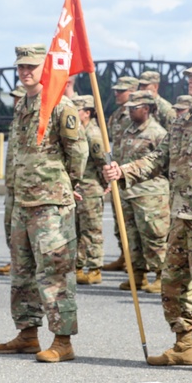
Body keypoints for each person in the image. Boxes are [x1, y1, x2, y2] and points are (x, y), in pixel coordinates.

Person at [103, 58, 192, 375]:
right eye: (189, 76)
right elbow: (159, 158)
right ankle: (184, 345)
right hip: (181, 215)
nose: (190, 80)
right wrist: (124, 170)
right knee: (171, 283)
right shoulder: (184, 121)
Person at [0, 44, 88, 362]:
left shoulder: (60, 105)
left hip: (51, 205)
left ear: (44, 68)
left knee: (56, 273)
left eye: (31, 66)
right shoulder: (22, 106)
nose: (25, 72)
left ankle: (62, 340)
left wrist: (68, 185)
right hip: (22, 202)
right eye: (20, 67)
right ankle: (28, 334)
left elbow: (78, 152)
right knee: (22, 273)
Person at [112, 90, 170, 293]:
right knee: (131, 237)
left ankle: (162, 275)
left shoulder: (158, 133)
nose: (129, 112)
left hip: (150, 194)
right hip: (128, 191)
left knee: (154, 236)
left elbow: (164, 165)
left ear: (146, 109)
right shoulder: (127, 130)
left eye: (134, 108)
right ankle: (137, 275)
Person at [102, 76, 139, 272]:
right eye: (116, 90)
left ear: (133, 91)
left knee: (139, 224)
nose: (116, 94)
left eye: (121, 90)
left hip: (134, 175)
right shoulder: (116, 116)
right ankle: (124, 255)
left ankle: (138, 261)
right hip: (118, 173)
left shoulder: (139, 114)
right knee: (120, 219)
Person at [72, 95, 108, 285]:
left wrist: (105, 184)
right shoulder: (78, 130)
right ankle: (78, 265)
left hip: (91, 188)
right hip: (80, 187)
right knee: (77, 229)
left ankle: (94, 268)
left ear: (87, 113)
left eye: (77, 109)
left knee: (91, 229)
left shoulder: (93, 134)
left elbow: (103, 162)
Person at [0, 83, 27, 276]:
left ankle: (21, 263)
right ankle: (15, 260)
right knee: (9, 224)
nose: (15, 100)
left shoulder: (33, 120)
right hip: (12, 184)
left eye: (18, 97)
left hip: (25, 186)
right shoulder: (16, 121)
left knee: (21, 226)